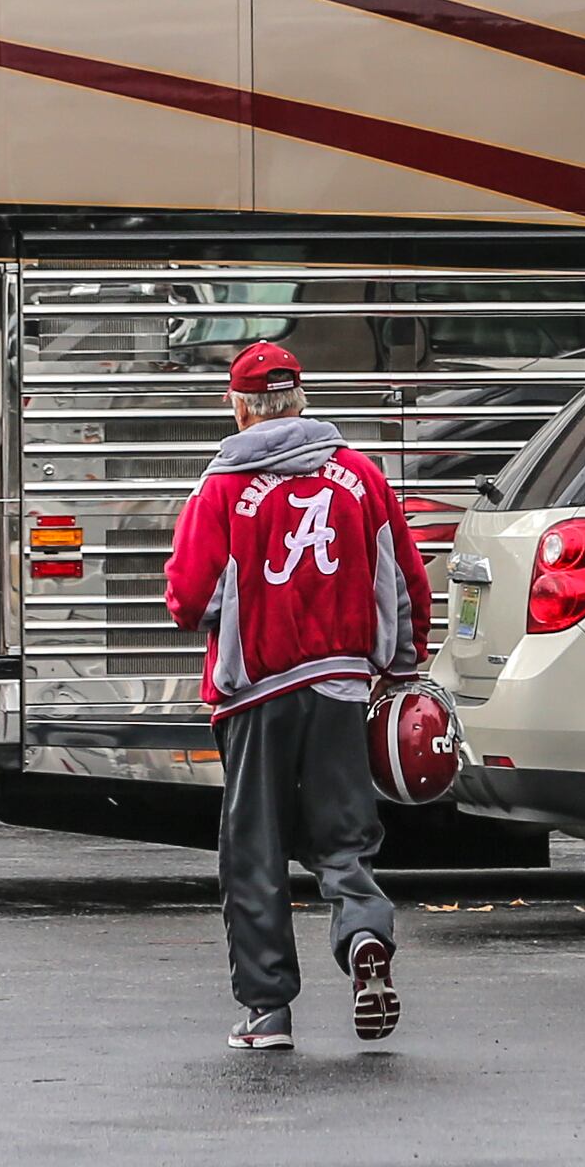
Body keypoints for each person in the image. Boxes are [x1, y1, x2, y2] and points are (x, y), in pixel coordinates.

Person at [161, 339, 431, 1051]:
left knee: (255, 848)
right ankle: (366, 933)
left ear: (240, 404)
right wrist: (402, 669)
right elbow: (403, 580)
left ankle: (268, 1011)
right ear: (300, 399)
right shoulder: (362, 476)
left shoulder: (220, 486)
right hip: (342, 687)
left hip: (255, 696)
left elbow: (188, 596)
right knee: (345, 838)